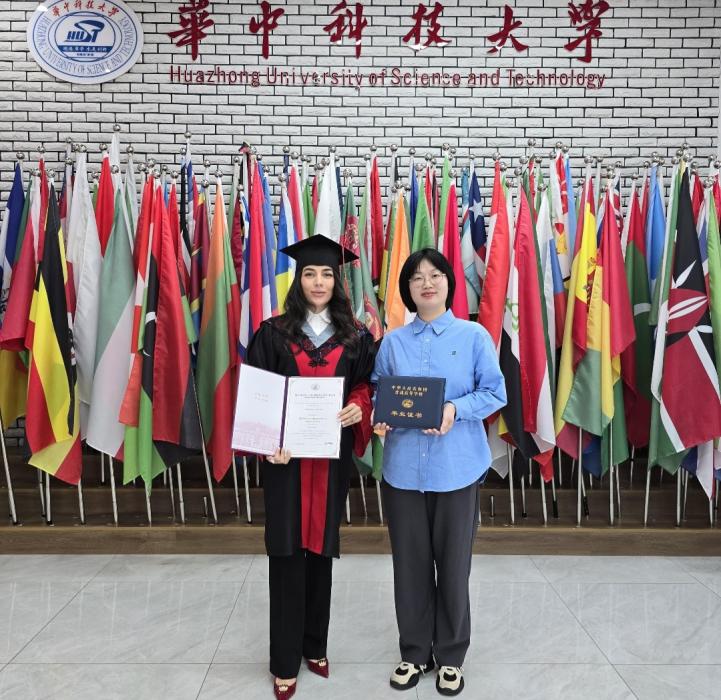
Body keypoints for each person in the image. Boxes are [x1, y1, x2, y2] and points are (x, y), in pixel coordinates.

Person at [372, 248, 506, 697]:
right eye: (416, 278)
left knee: (453, 566)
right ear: (407, 289)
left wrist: (454, 408)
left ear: (449, 282)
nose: (426, 283)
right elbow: (379, 391)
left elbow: (495, 392)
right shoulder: (393, 342)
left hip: (456, 471)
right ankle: (414, 652)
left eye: (435, 275)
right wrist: (380, 415)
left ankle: (450, 656)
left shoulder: (473, 336)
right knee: (409, 566)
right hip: (403, 473)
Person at [246, 235, 376, 700]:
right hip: (286, 461)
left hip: (330, 457)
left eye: (326, 274)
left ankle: (314, 644)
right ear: (297, 280)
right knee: (286, 554)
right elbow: (257, 392)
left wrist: (360, 405)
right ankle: (285, 661)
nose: (318, 281)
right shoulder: (273, 332)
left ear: (337, 280)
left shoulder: (355, 335)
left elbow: (365, 384)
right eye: (309, 273)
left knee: (322, 550)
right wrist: (268, 443)